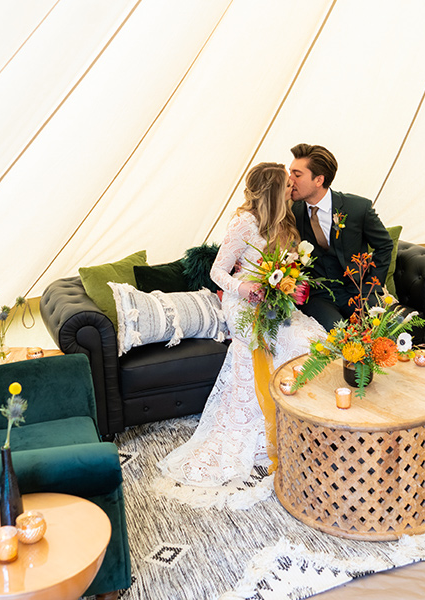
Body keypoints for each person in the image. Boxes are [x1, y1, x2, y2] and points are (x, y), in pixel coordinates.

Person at [157, 162, 325, 489]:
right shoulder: (244, 223)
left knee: (311, 341)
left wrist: (292, 284)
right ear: (271, 191)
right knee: (275, 343)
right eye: (286, 186)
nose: (292, 189)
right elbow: (218, 272)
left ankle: (302, 421)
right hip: (243, 299)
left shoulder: (285, 221)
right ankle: (261, 430)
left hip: (273, 297)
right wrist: (243, 288)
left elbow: (287, 265)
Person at [289, 143, 393, 332]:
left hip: (358, 290)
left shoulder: (358, 208)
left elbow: (384, 245)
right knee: (336, 333)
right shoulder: (291, 212)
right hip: (319, 296)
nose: (290, 180)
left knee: (381, 330)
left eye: (297, 175)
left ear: (318, 180)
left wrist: (372, 285)